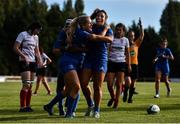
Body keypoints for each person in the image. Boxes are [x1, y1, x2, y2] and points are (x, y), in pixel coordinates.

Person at [80, 9, 113, 118]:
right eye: (98, 16)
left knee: (97, 86)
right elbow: (83, 24)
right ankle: (91, 104)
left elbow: (110, 40)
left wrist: (97, 37)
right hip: (89, 57)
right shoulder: (91, 26)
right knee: (83, 83)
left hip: (101, 59)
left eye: (102, 16)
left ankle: (97, 110)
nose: (99, 18)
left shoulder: (109, 29)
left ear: (105, 18)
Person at [44, 19, 79, 116]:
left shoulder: (77, 33)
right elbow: (55, 50)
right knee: (71, 87)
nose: (68, 27)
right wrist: (65, 49)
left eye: (70, 25)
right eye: (67, 25)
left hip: (75, 64)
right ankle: (66, 109)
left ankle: (55, 107)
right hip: (66, 64)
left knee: (71, 88)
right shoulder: (63, 34)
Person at [13, 22, 43, 112]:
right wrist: (24, 56)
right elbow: (15, 47)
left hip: (33, 62)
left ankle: (28, 106)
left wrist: (40, 61)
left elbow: (37, 51)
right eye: (38, 30)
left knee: (30, 86)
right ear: (33, 28)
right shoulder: (23, 34)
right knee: (26, 84)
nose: (38, 32)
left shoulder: (36, 37)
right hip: (24, 62)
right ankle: (22, 107)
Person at [106, 23, 131, 108]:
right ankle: (113, 98)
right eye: (117, 29)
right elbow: (108, 51)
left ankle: (116, 103)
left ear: (123, 31)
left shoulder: (126, 40)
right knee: (109, 85)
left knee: (119, 84)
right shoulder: (111, 38)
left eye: (120, 30)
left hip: (121, 63)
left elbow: (127, 54)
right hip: (111, 62)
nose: (118, 31)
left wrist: (129, 65)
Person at [123, 18, 144, 103]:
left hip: (135, 65)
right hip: (126, 64)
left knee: (133, 83)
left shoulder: (136, 44)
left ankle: (130, 98)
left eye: (132, 35)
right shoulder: (124, 44)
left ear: (134, 37)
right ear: (127, 36)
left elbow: (142, 35)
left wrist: (141, 26)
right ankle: (125, 93)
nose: (131, 37)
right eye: (129, 35)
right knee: (128, 81)